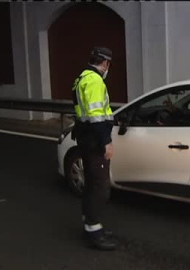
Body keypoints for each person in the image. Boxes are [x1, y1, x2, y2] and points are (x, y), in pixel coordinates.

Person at [71, 47, 117, 251]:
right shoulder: (95, 80)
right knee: (100, 188)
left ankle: (90, 225)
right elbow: (97, 115)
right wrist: (106, 141)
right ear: (106, 63)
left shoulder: (82, 77)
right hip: (94, 141)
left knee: (91, 185)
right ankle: (94, 232)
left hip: (85, 138)